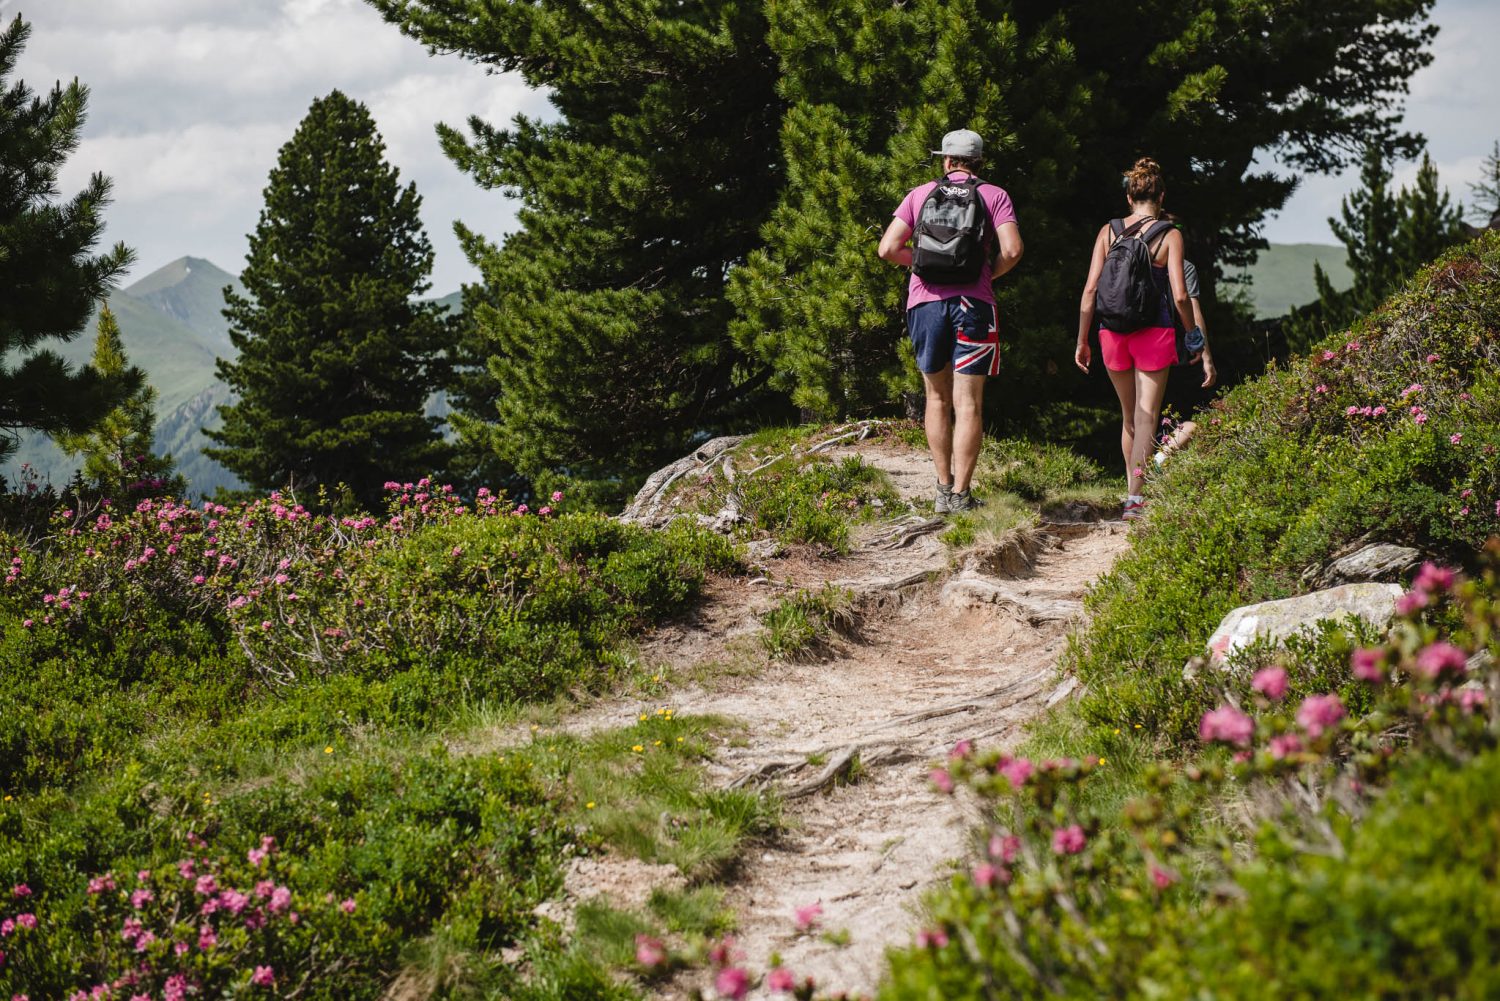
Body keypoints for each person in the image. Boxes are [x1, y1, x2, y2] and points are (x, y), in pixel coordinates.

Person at [878, 129, 1024, 514]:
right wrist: (984, 272)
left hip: (924, 304)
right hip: (974, 304)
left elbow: (888, 248)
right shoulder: (994, 195)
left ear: (946, 160)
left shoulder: (920, 194)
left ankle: (942, 489)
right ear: (979, 162)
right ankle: (961, 494)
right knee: (969, 402)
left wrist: (924, 264)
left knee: (936, 397)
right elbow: (1012, 249)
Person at [1073, 157, 1209, 520]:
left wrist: (1082, 339)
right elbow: (1180, 295)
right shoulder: (1170, 234)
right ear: (1161, 197)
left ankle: (1131, 490)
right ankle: (1136, 499)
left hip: (1112, 333)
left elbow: (1090, 290)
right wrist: (1193, 336)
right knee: (1148, 416)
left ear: (1130, 198)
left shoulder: (1108, 231)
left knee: (1129, 418)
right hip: (1154, 332)